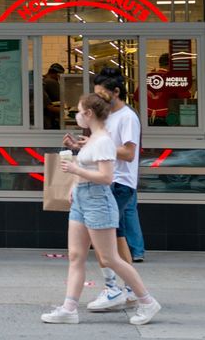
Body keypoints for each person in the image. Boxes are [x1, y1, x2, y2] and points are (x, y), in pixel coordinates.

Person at [41, 93, 160, 326]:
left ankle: (147, 301)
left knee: (110, 257)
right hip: (83, 199)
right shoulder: (94, 138)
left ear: (89, 114)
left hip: (98, 200)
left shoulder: (103, 140)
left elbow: (106, 178)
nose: (75, 115)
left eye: (78, 111)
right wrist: (76, 162)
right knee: (76, 256)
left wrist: (76, 171)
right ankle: (69, 308)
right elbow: (91, 164)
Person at [65, 67, 147, 306]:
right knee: (116, 238)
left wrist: (101, 144)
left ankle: (117, 289)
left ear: (117, 92)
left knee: (104, 243)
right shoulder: (108, 116)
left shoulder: (128, 117)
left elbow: (129, 153)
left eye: (102, 94)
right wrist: (88, 144)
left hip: (119, 183)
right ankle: (129, 290)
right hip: (108, 183)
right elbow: (104, 147)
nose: (99, 98)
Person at [43, 63, 65, 129]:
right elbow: (60, 97)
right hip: (49, 116)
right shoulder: (51, 81)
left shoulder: (43, 79)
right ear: (57, 74)